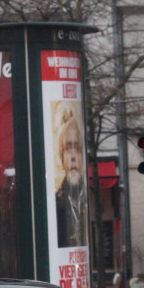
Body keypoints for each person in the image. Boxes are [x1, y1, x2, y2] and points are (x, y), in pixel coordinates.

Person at [53, 102, 89, 248]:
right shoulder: (57, 201)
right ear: (62, 157)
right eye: (68, 148)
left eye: (78, 148)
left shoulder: (85, 197)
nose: (73, 156)